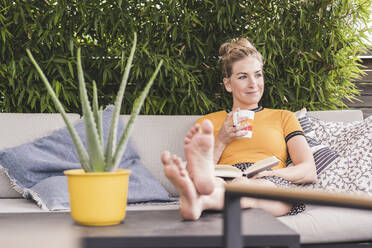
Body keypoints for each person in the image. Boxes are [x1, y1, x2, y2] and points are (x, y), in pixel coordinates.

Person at [161, 38, 317, 220]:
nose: (253, 83)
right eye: (243, 77)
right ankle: (208, 191)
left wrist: (270, 173)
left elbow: (308, 170)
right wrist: (221, 140)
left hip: (269, 181)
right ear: (228, 84)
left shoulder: (284, 117)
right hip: (225, 177)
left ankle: (202, 200)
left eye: (258, 75)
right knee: (218, 181)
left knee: (245, 185)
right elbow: (192, 174)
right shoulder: (207, 123)